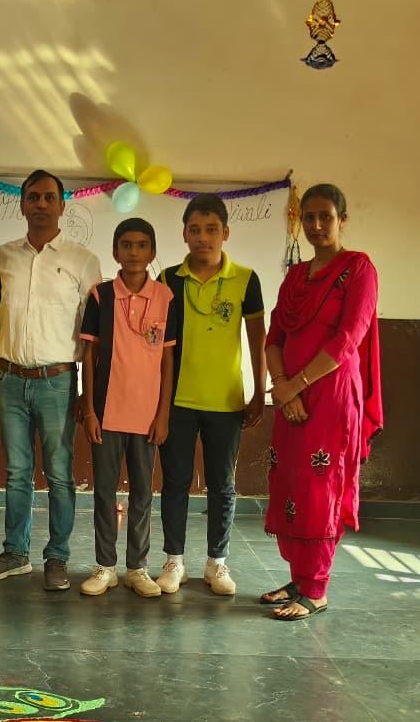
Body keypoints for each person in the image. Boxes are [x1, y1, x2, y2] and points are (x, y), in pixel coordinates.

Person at [261, 183, 382, 620]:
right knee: (291, 482)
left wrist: (295, 385)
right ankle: (298, 578)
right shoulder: (296, 277)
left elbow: (349, 338)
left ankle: (316, 589)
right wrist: (282, 384)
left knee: (320, 487)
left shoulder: (358, 269)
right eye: (308, 217)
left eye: (325, 216)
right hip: (290, 391)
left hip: (330, 395)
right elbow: (274, 337)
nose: (315, 225)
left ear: (342, 220)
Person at [0, 169, 101, 591]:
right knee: (17, 471)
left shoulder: (83, 260)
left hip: (58, 382)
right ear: (22, 204)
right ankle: (16, 553)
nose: (41, 204)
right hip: (9, 379)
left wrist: (87, 395)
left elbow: (93, 334)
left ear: (62, 205)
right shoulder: (3, 257)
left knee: (60, 472)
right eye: (33, 197)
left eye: (49, 197)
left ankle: (57, 557)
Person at [157, 193, 266, 597]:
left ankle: (217, 563)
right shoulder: (168, 279)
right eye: (195, 229)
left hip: (226, 401)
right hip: (178, 400)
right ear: (184, 234)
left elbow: (257, 339)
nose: (203, 237)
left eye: (211, 229)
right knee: (175, 482)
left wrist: (258, 391)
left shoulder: (246, 279)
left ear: (226, 233)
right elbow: (160, 347)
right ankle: (174, 561)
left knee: (223, 485)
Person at [78, 217, 176, 598]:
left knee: (142, 494)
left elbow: (167, 361)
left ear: (152, 252)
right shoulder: (101, 295)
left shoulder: (165, 298)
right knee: (104, 491)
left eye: (141, 245)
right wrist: (89, 410)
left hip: (148, 415)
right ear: (115, 251)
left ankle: (137, 567)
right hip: (107, 413)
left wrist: (163, 414)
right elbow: (90, 356)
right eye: (126, 245)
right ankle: (105, 566)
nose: (134, 252)